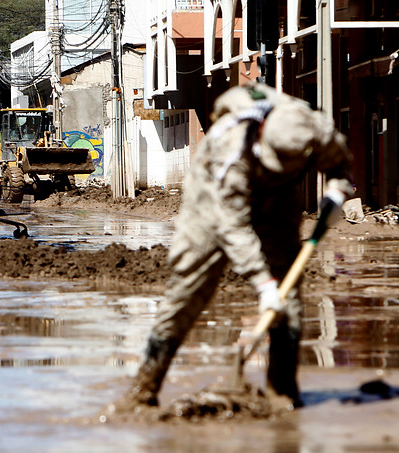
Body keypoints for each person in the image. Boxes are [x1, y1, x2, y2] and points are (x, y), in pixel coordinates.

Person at [117, 83, 354, 411]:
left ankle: (282, 390)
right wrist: (263, 283)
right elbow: (232, 226)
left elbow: (342, 169)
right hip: (213, 201)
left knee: (289, 297)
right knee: (188, 288)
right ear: (261, 134)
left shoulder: (315, 130)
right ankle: (144, 390)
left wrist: (339, 192)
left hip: (278, 200)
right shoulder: (230, 149)